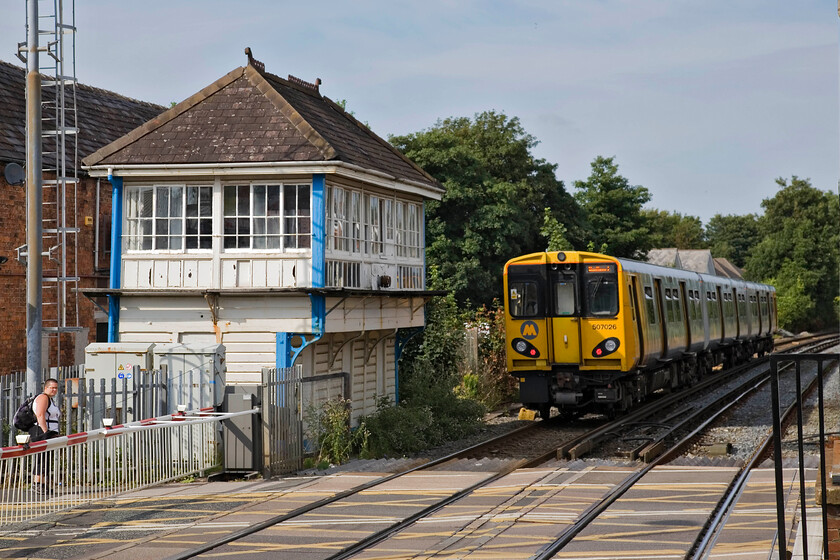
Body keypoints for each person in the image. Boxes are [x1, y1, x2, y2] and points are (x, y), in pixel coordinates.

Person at [29, 378, 60, 494]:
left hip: (47, 431)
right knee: (41, 458)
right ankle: (37, 484)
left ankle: (42, 483)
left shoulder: (50, 399)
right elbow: (40, 415)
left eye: (56, 388)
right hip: (40, 431)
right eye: (52, 387)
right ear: (45, 388)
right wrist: (45, 432)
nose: (54, 390)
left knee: (46, 458)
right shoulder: (43, 398)